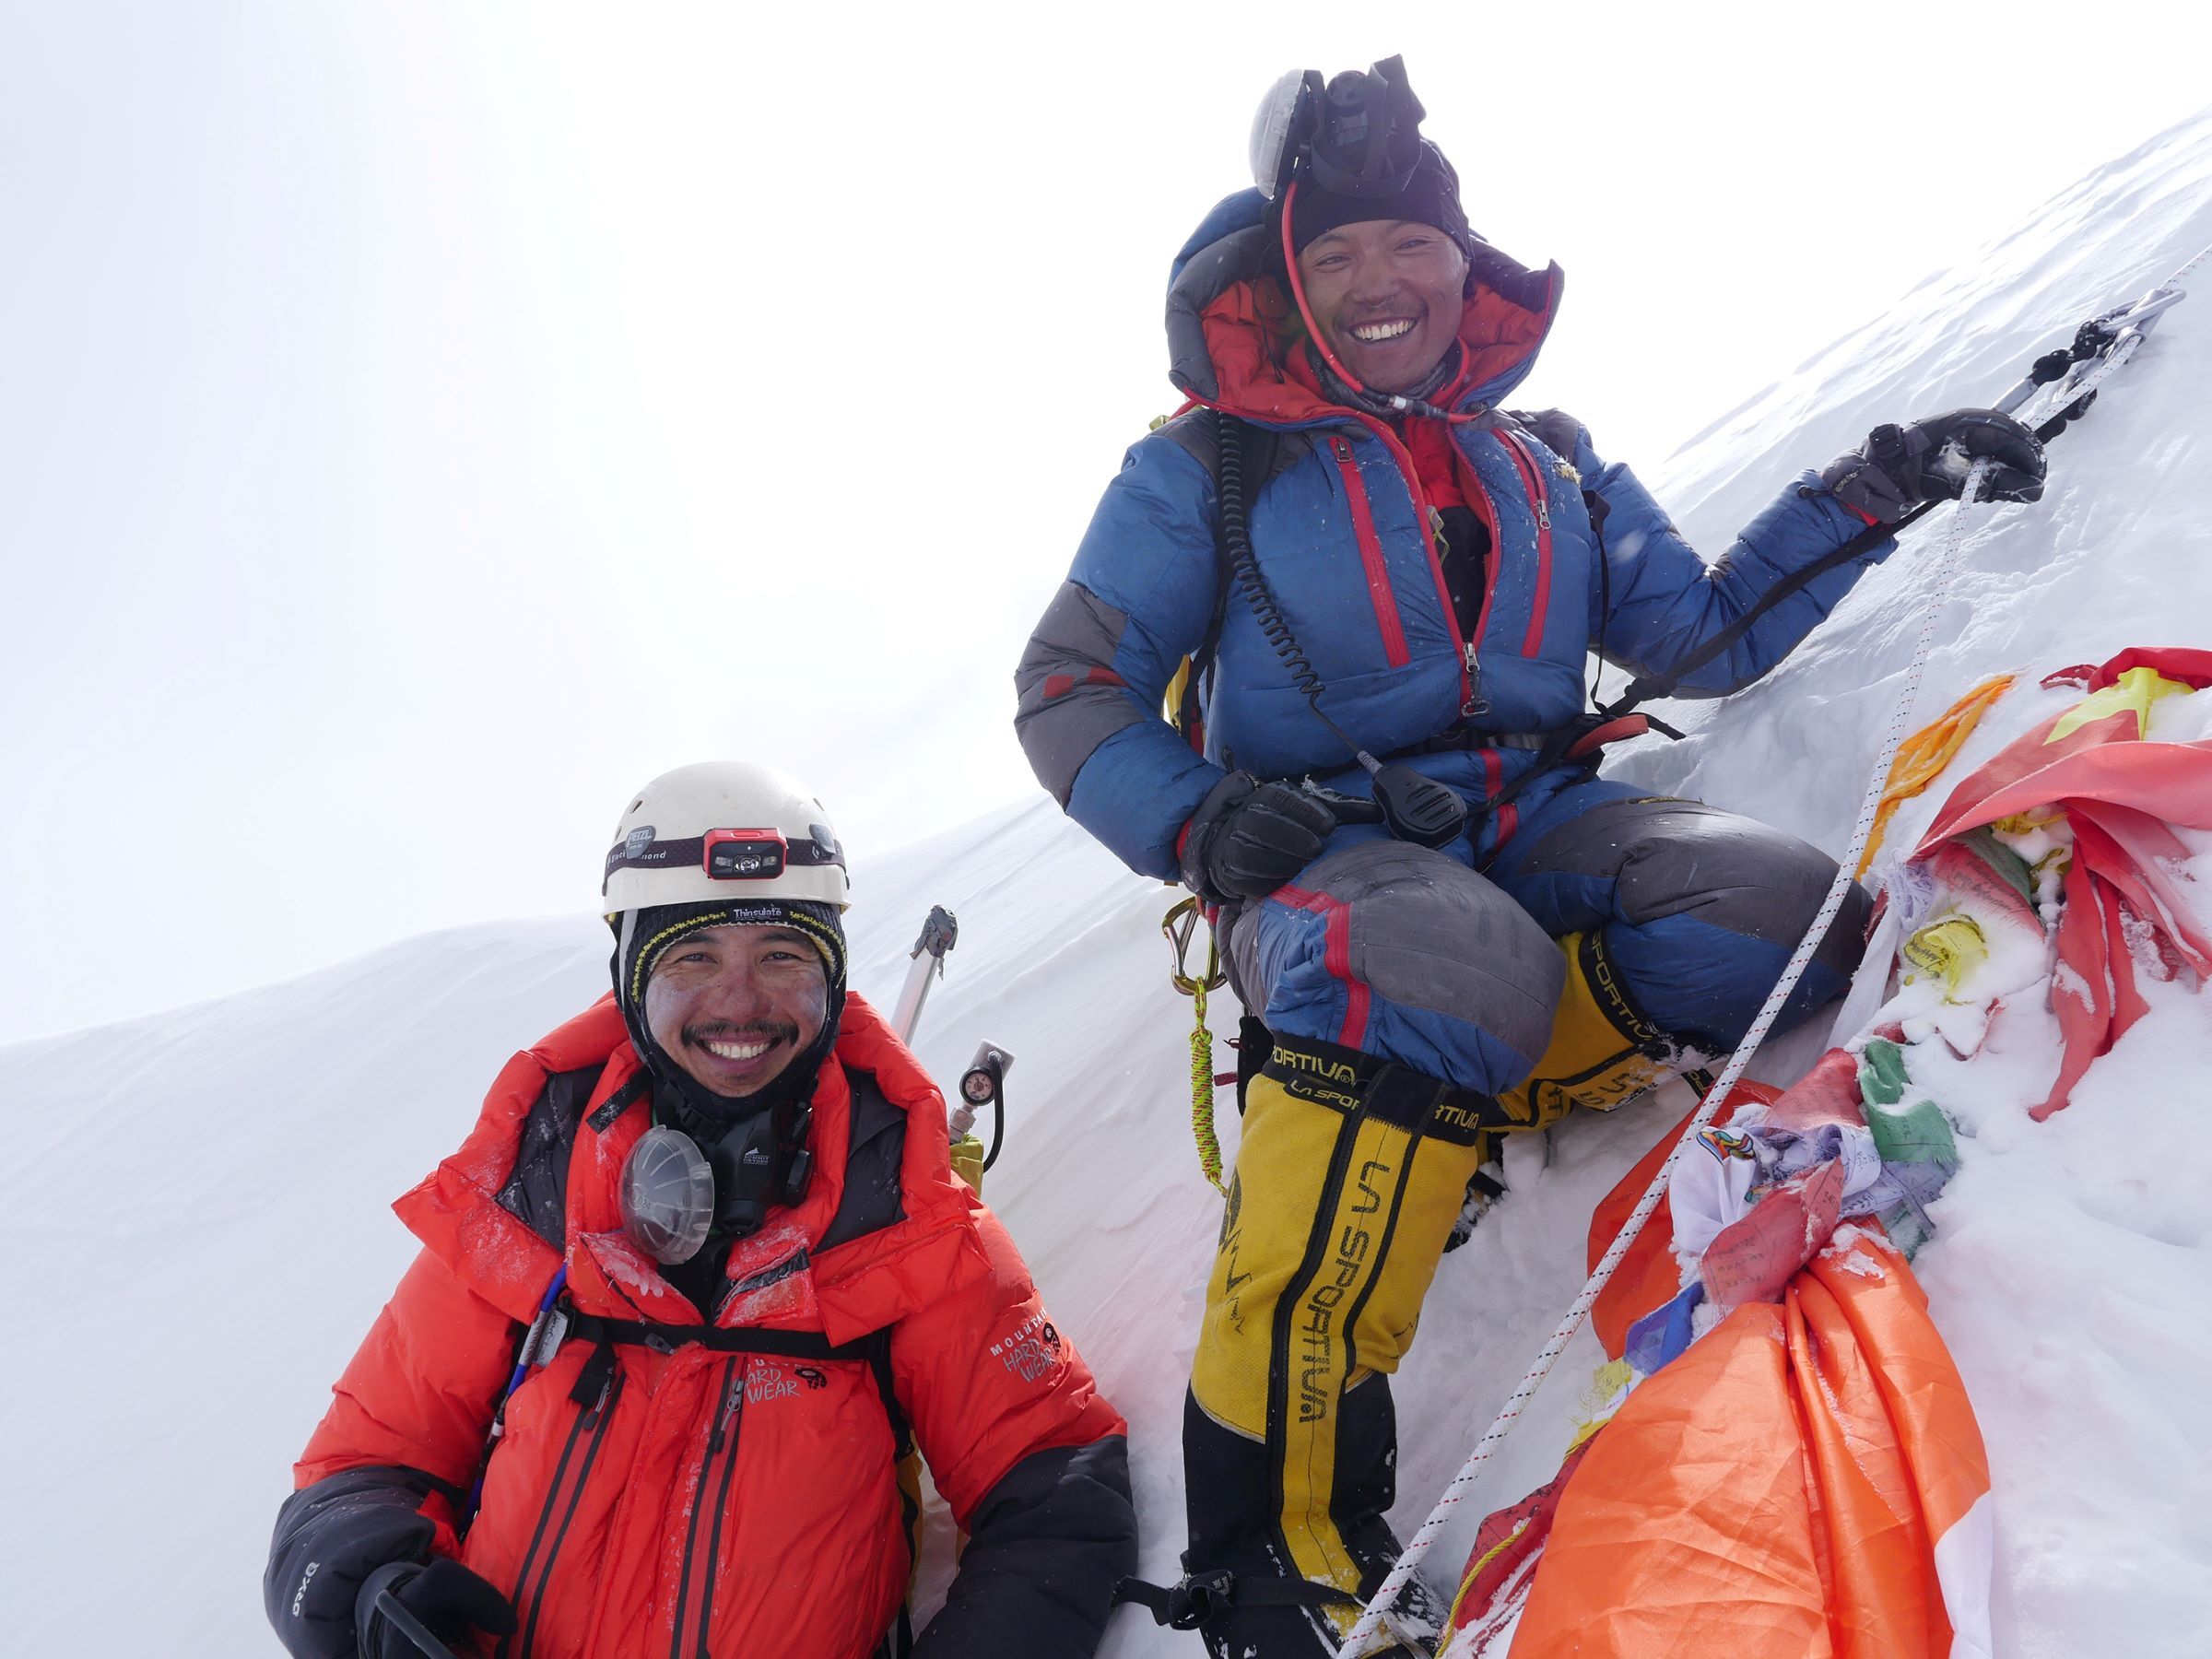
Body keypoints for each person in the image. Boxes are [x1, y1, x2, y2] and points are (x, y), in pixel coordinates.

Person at [1014, 57, 2046, 1659]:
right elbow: (1069, 687)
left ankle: (1471, 1081)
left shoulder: (1545, 457)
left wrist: (1883, 485)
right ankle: (1273, 1545)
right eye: (1340, 252)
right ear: (1286, 275)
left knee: (1780, 922)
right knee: (1431, 953)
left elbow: (1699, 634)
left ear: (1463, 263)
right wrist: (1206, 820)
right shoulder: (1200, 470)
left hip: (1535, 829)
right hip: (1320, 871)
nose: (1381, 282)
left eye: (1412, 246)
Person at [264, 762, 1136, 1659]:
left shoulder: (910, 1227)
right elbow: (359, 1468)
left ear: (831, 979)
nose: (739, 1002)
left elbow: (1058, 1494)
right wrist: (368, 1586)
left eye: (782, 957)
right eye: (693, 957)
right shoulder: (530, 1194)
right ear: (631, 977)